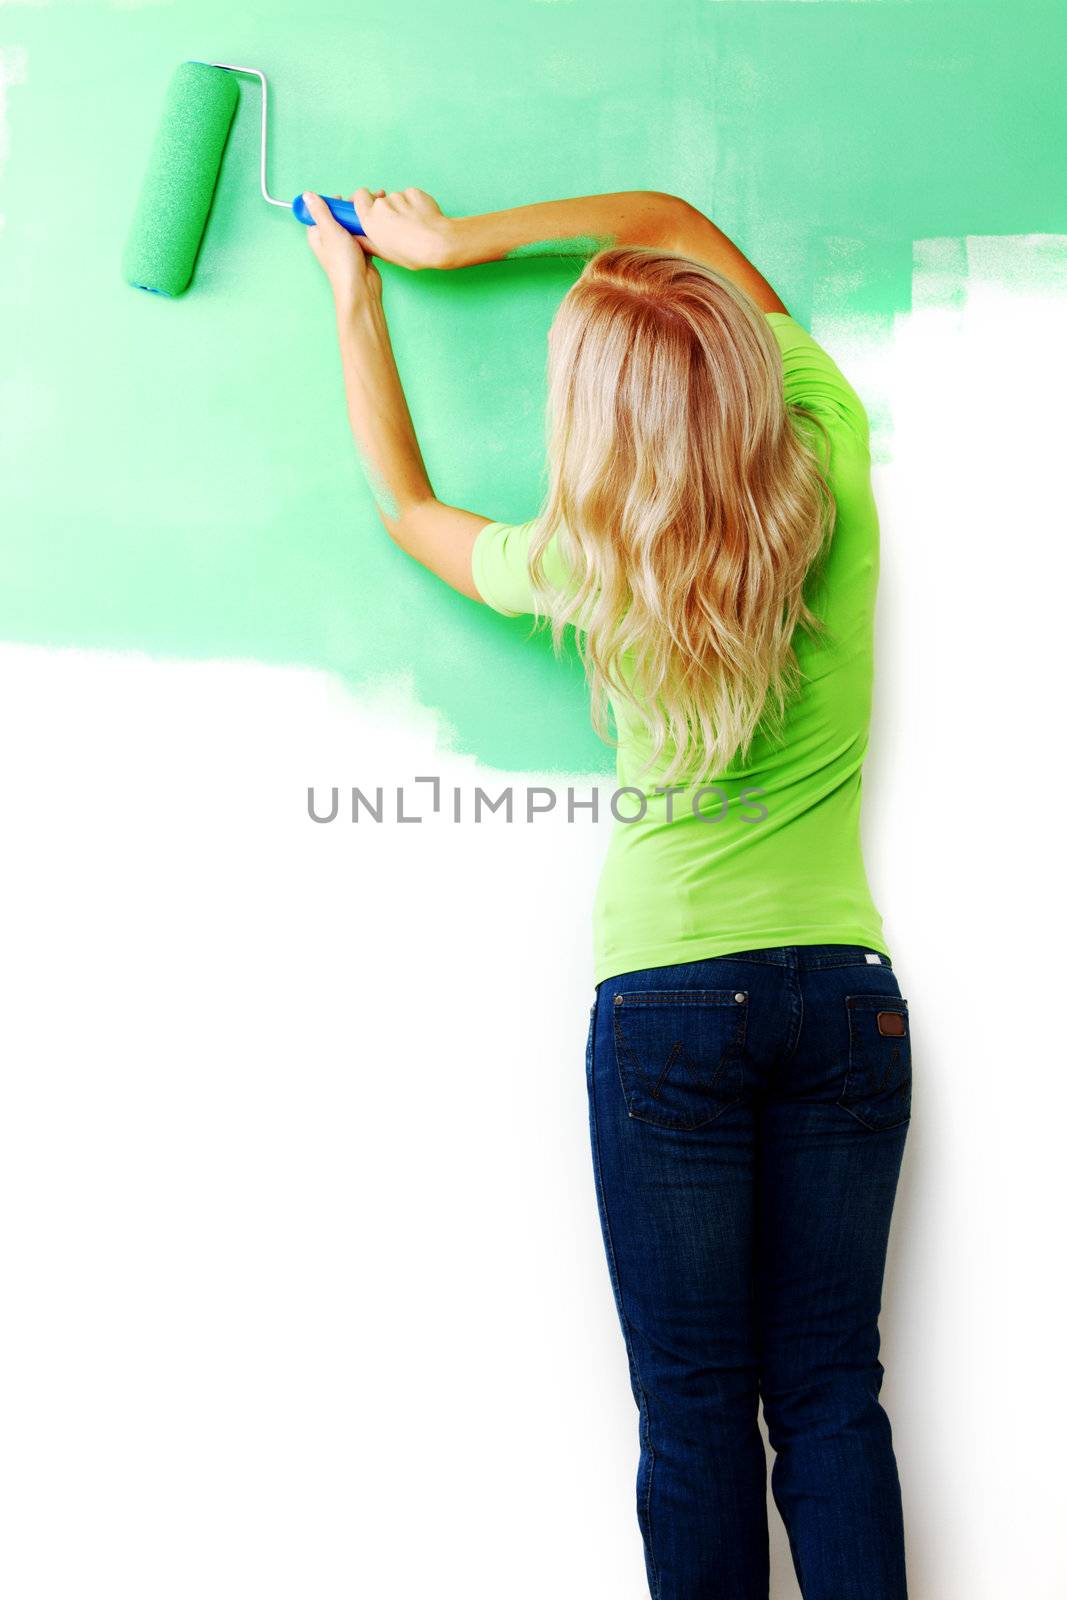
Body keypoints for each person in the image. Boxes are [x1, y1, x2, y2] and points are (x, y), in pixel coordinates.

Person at [304, 185, 912, 1600]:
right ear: (746, 369)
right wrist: (464, 237)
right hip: (845, 1004)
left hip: (670, 1014)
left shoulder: (590, 565)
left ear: (600, 423)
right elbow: (669, 217)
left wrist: (362, 293)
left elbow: (405, 510)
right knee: (830, 1394)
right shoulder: (832, 444)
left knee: (695, 1412)